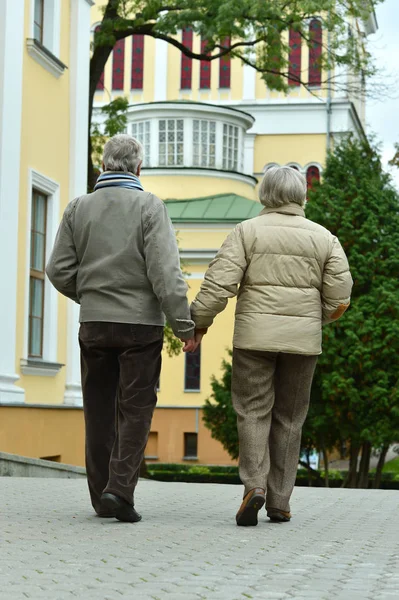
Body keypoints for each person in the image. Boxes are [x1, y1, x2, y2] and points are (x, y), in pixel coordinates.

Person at [191, 166, 353, 526]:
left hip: (253, 340)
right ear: (302, 196)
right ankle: (280, 501)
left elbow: (219, 285)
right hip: (303, 344)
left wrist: (198, 323)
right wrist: (314, 321)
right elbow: (341, 295)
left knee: (252, 410)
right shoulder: (324, 238)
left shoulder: (246, 232)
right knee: (291, 418)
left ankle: (254, 487)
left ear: (265, 195)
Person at [46, 134, 195, 523]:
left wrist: (91, 296)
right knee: (135, 409)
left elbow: (57, 270)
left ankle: (101, 498)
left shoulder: (78, 208)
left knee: (97, 410)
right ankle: (119, 490)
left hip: (93, 324)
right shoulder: (150, 207)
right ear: (138, 168)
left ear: (104, 165)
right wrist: (184, 325)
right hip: (139, 327)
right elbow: (166, 273)